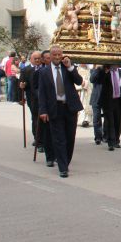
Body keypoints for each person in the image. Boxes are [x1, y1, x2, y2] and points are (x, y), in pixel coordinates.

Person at [37, 46, 83, 178]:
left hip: (70, 108)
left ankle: (66, 161)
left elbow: (79, 81)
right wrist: (43, 110)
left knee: (69, 138)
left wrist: (70, 67)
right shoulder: (44, 72)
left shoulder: (67, 68)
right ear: (50, 56)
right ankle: (63, 167)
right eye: (54, 55)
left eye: (59, 55)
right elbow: (42, 93)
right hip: (54, 108)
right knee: (59, 139)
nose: (57, 57)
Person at [34, 50, 55, 166]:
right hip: (45, 105)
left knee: (57, 133)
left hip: (57, 105)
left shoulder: (59, 70)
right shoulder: (40, 72)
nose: (49, 59)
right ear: (43, 60)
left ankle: (56, 154)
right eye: (47, 58)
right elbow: (36, 88)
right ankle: (49, 156)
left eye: (50, 57)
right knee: (47, 132)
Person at [19, 51, 42, 148]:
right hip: (32, 98)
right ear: (31, 60)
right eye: (35, 59)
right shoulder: (26, 70)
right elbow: (21, 83)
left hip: (43, 97)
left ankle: (43, 138)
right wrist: (22, 86)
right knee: (35, 118)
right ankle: (37, 139)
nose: (37, 60)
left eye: (38, 58)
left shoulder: (45, 68)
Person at [89, 64, 104, 145]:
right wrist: (97, 69)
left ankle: (106, 135)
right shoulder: (93, 70)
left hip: (106, 97)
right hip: (96, 97)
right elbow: (92, 79)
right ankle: (98, 136)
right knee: (96, 118)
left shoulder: (107, 70)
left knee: (108, 118)